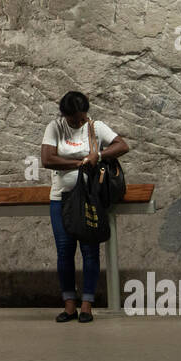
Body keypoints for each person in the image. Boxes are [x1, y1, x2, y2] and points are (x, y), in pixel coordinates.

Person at [39, 91, 130, 323]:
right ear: (64, 115)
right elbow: (47, 159)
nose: (79, 122)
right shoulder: (55, 127)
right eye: (74, 119)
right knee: (64, 252)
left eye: (82, 118)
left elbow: (122, 145)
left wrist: (98, 155)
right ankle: (69, 305)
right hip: (61, 198)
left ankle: (87, 305)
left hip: (90, 199)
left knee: (90, 251)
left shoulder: (95, 127)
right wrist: (79, 163)